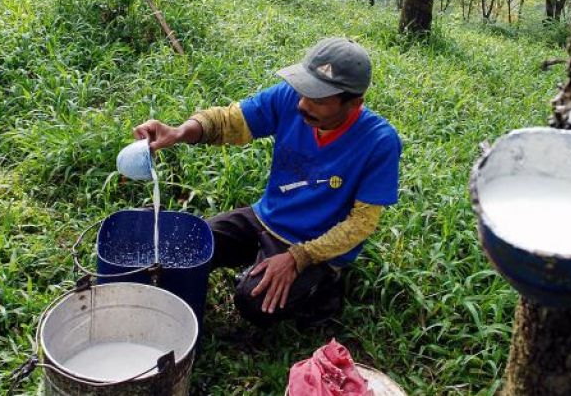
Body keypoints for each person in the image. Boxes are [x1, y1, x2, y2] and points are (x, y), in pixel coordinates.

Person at [133, 37, 401, 327]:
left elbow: (361, 223)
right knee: (186, 247)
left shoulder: (379, 142)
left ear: (354, 103)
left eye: (318, 100)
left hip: (312, 244)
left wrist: (299, 257)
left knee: (254, 303)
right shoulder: (289, 98)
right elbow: (229, 121)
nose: (302, 104)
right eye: (303, 91)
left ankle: (324, 287)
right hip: (265, 217)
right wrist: (179, 132)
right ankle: (261, 259)